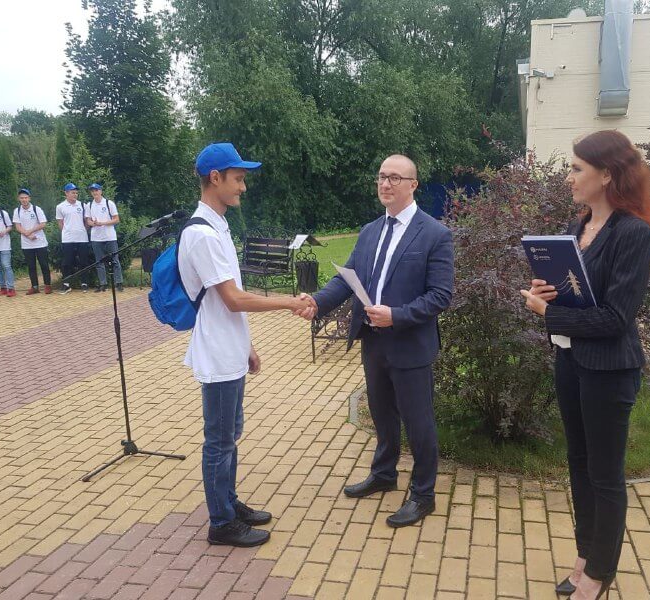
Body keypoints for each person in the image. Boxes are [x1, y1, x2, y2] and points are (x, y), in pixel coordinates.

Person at [520, 130, 650, 600]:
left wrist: (549, 312)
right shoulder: (576, 228)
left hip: (609, 370)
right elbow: (577, 294)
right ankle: (584, 557)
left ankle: (600, 574)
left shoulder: (633, 233)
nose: (570, 176)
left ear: (607, 174)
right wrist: (546, 295)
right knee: (578, 465)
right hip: (570, 359)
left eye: (578, 168)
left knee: (605, 474)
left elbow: (617, 318)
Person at [299, 154, 454, 528]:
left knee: (419, 423)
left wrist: (397, 315)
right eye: (382, 177)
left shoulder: (434, 233)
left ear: (413, 184)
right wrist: (317, 302)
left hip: (410, 343)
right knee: (382, 414)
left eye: (395, 178)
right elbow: (346, 279)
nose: (386, 184)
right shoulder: (370, 231)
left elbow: (441, 295)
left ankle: (423, 494)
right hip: (373, 340)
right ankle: (384, 474)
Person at [178, 142, 312, 547]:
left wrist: (247, 345)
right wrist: (290, 301)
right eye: (238, 179)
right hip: (217, 353)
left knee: (230, 433)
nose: (243, 188)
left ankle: (228, 502)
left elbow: (229, 302)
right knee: (218, 440)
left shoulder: (218, 226)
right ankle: (220, 523)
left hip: (230, 347)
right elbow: (234, 299)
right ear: (214, 178)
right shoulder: (201, 234)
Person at [13, 189, 52, 295]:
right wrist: (26, 234)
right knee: (31, 266)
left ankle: (48, 285)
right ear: (19, 199)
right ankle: (34, 286)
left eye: (26, 197)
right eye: (22, 198)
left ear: (29, 198)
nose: (24, 200)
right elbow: (17, 226)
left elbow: (43, 223)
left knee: (44, 264)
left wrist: (30, 231)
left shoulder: (36, 209)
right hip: (26, 243)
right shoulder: (17, 211)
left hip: (40, 242)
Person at [86, 183, 123, 292]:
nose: (94, 192)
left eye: (96, 190)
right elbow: (88, 220)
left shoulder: (109, 203)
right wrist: (93, 223)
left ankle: (119, 283)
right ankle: (103, 284)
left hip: (110, 236)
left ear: (101, 191)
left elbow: (116, 219)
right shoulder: (89, 205)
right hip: (96, 237)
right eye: (92, 191)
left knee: (115, 260)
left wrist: (103, 223)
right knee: (99, 262)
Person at [55, 183, 90, 294]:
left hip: (82, 238)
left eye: (76, 193)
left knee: (83, 261)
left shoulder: (83, 205)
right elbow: (60, 223)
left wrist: (82, 230)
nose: (75, 195)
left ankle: (84, 283)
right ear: (66, 193)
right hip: (68, 239)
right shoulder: (60, 206)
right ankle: (66, 284)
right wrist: (66, 232)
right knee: (67, 262)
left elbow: (86, 221)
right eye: (72, 192)